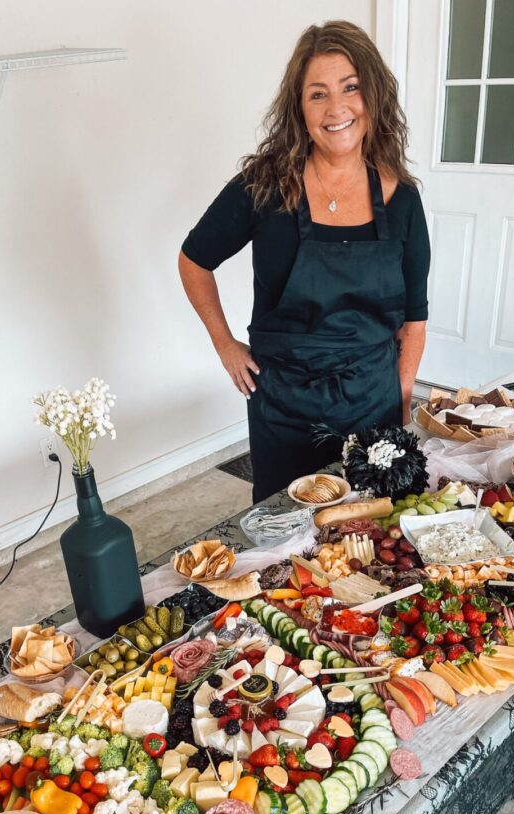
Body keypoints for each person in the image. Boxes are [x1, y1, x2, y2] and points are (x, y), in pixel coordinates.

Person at [179, 21, 431, 502]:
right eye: (318, 94)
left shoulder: (403, 202)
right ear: (300, 108)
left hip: (372, 401)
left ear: (372, 97)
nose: (336, 108)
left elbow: (413, 324)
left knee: (367, 540)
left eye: (350, 88)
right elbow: (194, 259)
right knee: (282, 539)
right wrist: (224, 343)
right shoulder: (264, 187)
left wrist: (398, 413)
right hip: (284, 404)